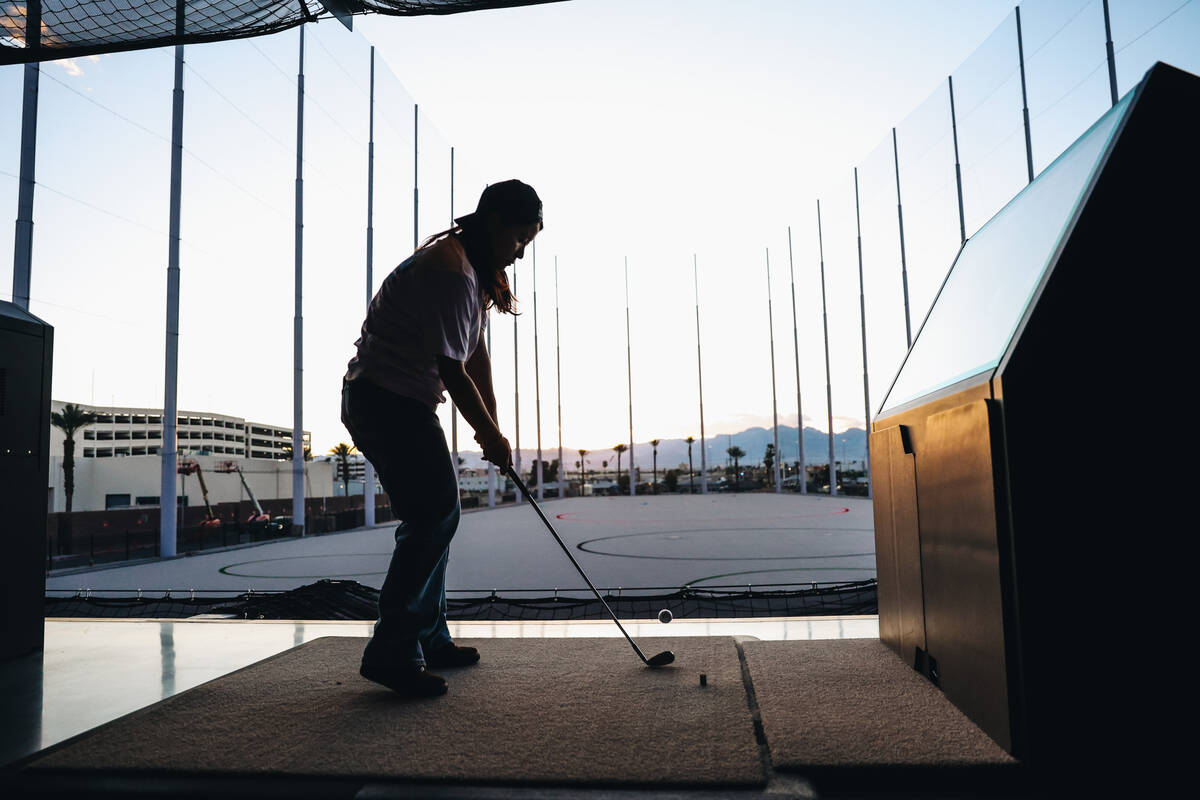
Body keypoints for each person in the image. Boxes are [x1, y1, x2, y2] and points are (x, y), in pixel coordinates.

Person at [341, 179, 542, 697]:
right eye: (519, 239)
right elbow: (453, 372)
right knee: (432, 516)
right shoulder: (451, 271)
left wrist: (494, 428)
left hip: (397, 401)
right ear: (494, 222)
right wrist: (487, 435)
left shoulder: (473, 271)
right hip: (384, 400)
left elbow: (475, 355)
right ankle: (393, 652)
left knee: (438, 516)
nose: (520, 253)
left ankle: (428, 638)